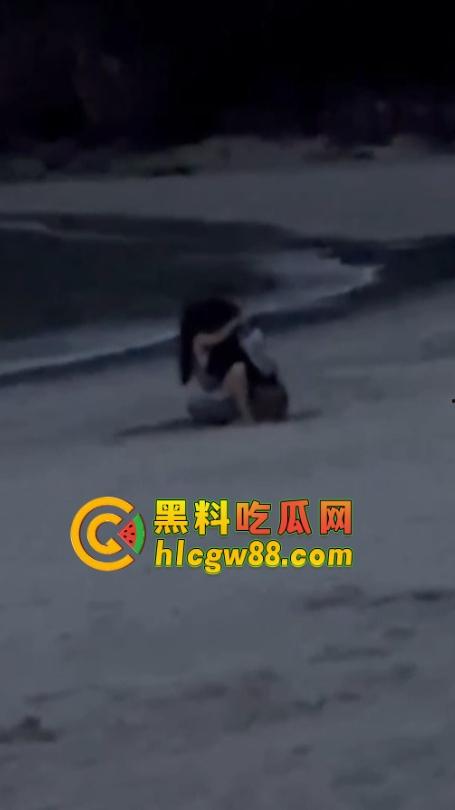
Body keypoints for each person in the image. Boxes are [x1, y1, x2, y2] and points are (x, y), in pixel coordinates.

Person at [179, 297, 289, 425]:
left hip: (249, 394)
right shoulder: (200, 341)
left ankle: (247, 416)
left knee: (239, 372)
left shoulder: (234, 342)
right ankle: (247, 415)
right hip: (229, 395)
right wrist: (236, 320)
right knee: (198, 403)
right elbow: (218, 337)